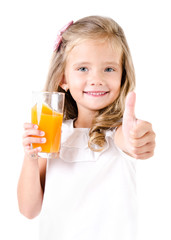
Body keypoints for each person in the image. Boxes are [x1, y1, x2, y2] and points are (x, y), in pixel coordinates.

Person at [17, 16, 156, 240]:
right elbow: (28, 210)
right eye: (83, 68)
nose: (96, 79)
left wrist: (136, 138)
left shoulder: (117, 133)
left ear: (122, 77)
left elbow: (129, 140)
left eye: (109, 69)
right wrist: (31, 157)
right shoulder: (54, 135)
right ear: (64, 78)